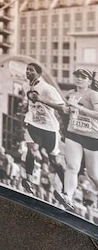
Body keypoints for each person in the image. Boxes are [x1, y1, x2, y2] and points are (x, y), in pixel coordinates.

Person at [20, 63, 66, 200]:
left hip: (49, 127)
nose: (27, 72)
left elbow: (62, 107)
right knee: (31, 150)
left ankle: (65, 188)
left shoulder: (47, 88)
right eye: (27, 69)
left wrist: (42, 100)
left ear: (39, 73)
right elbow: (30, 103)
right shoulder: (25, 86)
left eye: (31, 70)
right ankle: (28, 181)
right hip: (33, 123)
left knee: (54, 160)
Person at [57, 68, 98, 211]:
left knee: (93, 174)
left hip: (91, 136)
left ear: (89, 81)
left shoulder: (93, 95)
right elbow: (66, 110)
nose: (79, 79)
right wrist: (66, 109)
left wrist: (78, 108)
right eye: (77, 76)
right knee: (72, 166)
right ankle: (67, 196)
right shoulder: (70, 94)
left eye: (83, 77)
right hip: (73, 133)